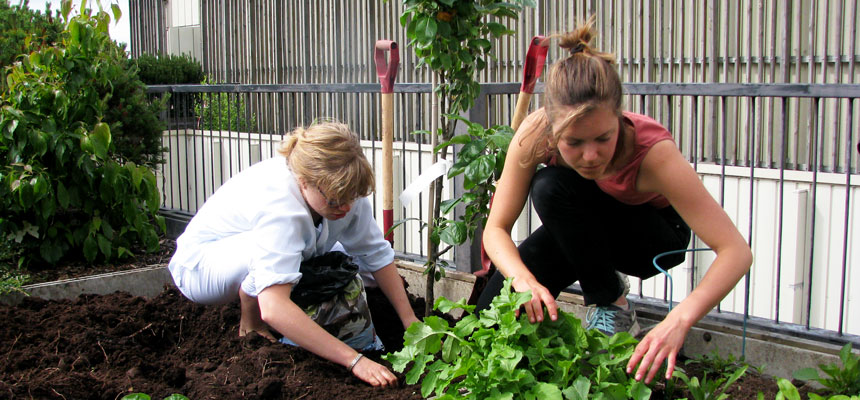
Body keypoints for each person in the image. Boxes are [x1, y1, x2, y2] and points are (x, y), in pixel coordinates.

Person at [476, 16, 752, 384]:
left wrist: (678, 320)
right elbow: (495, 229)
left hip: (652, 240)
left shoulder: (654, 153)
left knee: (551, 186)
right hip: (584, 225)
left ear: (619, 118)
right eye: (574, 143)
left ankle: (612, 305)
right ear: (553, 129)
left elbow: (736, 251)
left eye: (603, 139)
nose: (590, 155)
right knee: (487, 322)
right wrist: (523, 280)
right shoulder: (534, 135)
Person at [167, 121, 420, 388]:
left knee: (348, 260)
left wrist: (409, 320)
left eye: (352, 197)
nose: (346, 207)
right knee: (278, 257)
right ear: (303, 181)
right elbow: (274, 308)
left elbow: (376, 253)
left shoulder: (342, 189)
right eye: (335, 200)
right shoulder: (280, 207)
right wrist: (355, 360)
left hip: (260, 246)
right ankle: (249, 319)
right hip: (204, 267)